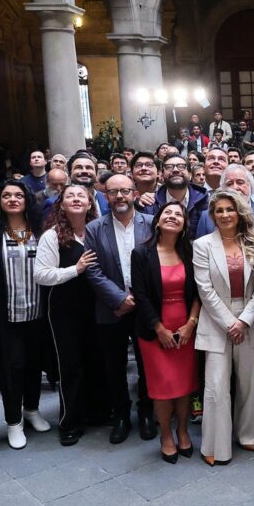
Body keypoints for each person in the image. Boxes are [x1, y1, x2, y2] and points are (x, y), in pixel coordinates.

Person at [192, 191, 254, 465]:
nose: (225, 215)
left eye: (230, 209)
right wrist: (229, 322)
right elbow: (204, 289)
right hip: (216, 320)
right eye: (219, 210)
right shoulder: (202, 245)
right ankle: (215, 445)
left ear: (239, 213)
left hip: (250, 316)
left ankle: (250, 435)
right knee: (215, 385)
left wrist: (244, 320)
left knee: (250, 381)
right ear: (212, 215)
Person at [0, 181, 50, 450]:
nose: (13, 199)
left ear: (28, 199)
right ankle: (13, 421)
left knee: (34, 363)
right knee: (12, 368)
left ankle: (31, 409)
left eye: (19, 195)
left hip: (38, 311)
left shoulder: (40, 228)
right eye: (7, 195)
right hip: (5, 314)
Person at [83, 174, 156, 443]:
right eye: (113, 192)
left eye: (125, 191)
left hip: (144, 308)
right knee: (114, 365)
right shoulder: (94, 228)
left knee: (147, 364)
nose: (120, 196)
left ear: (135, 193)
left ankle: (146, 412)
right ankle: (122, 415)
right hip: (110, 309)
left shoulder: (150, 224)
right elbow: (92, 269)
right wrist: (118, 299)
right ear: (105, 196)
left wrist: (137, 298)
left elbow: (156, 265)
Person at [34, 184, 103, 447]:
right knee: (70, 364)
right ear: (61, 205)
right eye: (69, 196)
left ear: (90, 203)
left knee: (95, 359)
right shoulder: (52, 236)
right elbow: (41, 274)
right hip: (65, 309)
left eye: (81, 196)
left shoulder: (97, 230)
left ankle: (95, 412)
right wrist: (76, 269)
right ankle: (70, 421)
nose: (75, 199)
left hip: (96, 305)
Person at [132, 201, 201, 463]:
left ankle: (183, 431)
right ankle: (165, 436)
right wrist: (159, 328)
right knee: (163, 387)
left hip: (185, 328)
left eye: (178, 214)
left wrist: (191, 324)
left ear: (184, 224)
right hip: (154, 331)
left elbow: (198, 292)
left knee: (184, 386)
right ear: (157, 220)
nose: (172, 217)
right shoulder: (142, 253)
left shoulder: (190, 252)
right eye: (167, 213)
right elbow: (140, 295)